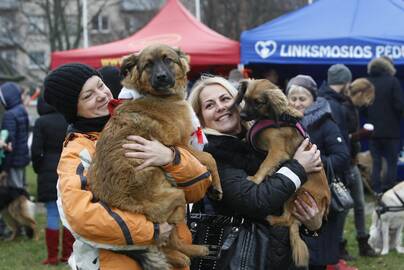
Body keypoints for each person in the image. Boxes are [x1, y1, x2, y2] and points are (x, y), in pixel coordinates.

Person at [43, 63, 212, 270]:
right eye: (88, 96)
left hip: (174, 258)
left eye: (100, 85)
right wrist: (152, 231)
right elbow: (80, 216)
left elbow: (199, 188)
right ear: (73, 108)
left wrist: (171, 157)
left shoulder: (140, 121)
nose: (101, 95)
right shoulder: (78, 151)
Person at [188, 76, 323, 269]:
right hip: (240, 261)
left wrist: (313, 224)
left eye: (225, 99)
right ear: (199, 118)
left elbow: (309, 186)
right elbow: (255, 201)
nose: (220, 107)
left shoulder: (259, 139)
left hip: (279, 256)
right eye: (209, 105)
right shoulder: (210, 157)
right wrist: (299, 168)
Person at [286, 75, 352, 270]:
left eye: (302, 98)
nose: (297, 103)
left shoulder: (325, 122)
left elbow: (342, 157)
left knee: (315, 255)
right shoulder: (281, 124)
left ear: (313, 100)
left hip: (318, 198)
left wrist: (312, 161)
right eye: (293, 98)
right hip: (290, 196)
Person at [318, 64, 357, 262]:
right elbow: (343, 133)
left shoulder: (323, 99)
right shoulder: (335, 104)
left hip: (326, 164)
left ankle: (331, 255)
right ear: (345, 81)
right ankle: (332, 257)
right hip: (334, 166)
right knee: (337, 212)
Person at [31, 95, 72, 265]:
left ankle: (52, 257)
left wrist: (39, 168)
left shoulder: (41, 122)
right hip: (68, 168)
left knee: (52, 214)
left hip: (47, 169)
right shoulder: (69, 120)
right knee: (69, 214)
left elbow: (35, 151)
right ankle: (68, 255)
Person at [365, 56, 404, 193]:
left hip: (373, 132)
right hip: (391, 132)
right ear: (388, 67)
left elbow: (363, 106)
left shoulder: (368, 82)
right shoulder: (393, 82)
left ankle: (376, 190)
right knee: (392, 162)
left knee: (376, 163)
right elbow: (400, 106)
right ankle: (389, 191)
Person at [0, 82, 30, 189]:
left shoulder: (9, 115)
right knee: (19, 189)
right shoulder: (22, 110)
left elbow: (9, 142)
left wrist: (5, 168)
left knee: (13, 193)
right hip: (20, 159)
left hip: (12, 162)